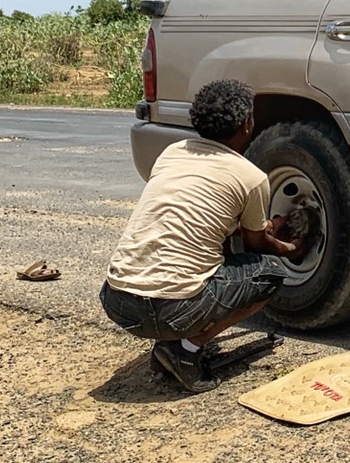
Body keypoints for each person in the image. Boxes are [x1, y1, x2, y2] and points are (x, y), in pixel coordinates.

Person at [99, 79, 308, 392]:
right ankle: (185, 350)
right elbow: (256, 245)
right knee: (271, 272)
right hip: (169, 311)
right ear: (246, 124)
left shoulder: (172, 153)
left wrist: (260, 225)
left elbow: (196, 216)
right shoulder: (249, 176)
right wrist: (289, 248)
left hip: (117, 302)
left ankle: (176, 334)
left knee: (203, 262)